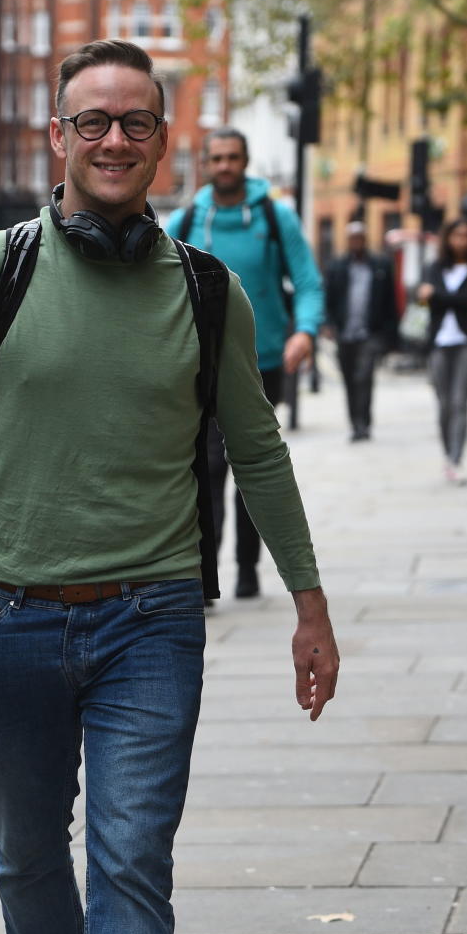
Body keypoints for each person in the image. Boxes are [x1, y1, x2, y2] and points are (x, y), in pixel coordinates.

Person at [0, 40, 339, 934]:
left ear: (162, 139)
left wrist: (308, 599)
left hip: (153, 614)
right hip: (7, 616)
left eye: (135, 123)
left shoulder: (206, 287)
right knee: (26, 843)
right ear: (57, 136)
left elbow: (258, 448)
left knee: (133, 854)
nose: (112, 141)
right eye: (91, 121)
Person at [164, 128, 323, 599]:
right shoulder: (189, 218)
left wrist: (306, 331)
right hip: (199, 363)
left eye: (233, 157)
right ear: (207, 165)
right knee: (208, 467)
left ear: (245, 160)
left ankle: (249, 569)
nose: (225, 166)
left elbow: (308, 281)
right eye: (216, 158)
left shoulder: (275, 216)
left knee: (252, 464)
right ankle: (204, 574)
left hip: (264, 359)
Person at [416, 216, 467, 486]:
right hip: (439, 341)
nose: (462, 241)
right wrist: (457, 301)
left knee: (460, 400)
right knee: (443, 402)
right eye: (457, 235)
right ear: (447, 238)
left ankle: (455, 460)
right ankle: (448, 453)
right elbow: (455, 301)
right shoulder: (434, 267)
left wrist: (436, 295)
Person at [324, 220, 400, 441]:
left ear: (366, 240)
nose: (356, 242)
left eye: (360, 238)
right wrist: (328, 324)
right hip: (345, 333)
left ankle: (364, 424)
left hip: (370, 333)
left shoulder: (380, 266)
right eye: (352, 238)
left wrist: (392, 338)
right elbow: (328, 299)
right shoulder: (337, 267)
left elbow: (390, 302)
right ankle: (355, 423)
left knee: (364, 377)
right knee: (349, 380)